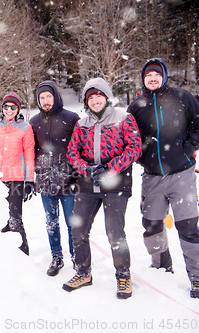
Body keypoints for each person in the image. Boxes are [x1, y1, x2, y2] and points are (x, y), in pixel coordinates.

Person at [127, 58, 199, 299]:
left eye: (156, 74)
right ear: (143, 79)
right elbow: (129, 141)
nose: (152, 78)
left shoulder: (183, 98)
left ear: (163, 76)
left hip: (182, 174)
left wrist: (187, 149)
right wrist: (141, 155)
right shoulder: (136, 107)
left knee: (187, 226)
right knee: (152, 225)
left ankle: (198, 275)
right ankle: (162, 265)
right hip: (152, 177)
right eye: (148, 75)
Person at [64, 78, 142, 299]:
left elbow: (135, 148)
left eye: (99, 96)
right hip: (88, 184)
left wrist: (110, 168)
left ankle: (123, 275)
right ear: (86, 101)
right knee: (78, 230)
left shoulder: (123, 118)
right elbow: (73, 153)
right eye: (91, 97)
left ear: (106, 97)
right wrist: (87, 169)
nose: (95, 100)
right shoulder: (81, 124)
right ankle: (83, 272)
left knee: (114, 232)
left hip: (116, 183)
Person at [29, 80, 80, 276]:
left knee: (71, 223)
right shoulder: (33, 122)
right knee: (51, 222)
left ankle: (76, 257)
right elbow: (31, 151)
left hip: (67, 181)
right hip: (45, 182)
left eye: (48, 96)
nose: (45, 101)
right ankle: (56, 256)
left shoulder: (71, 118)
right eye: (41, 98)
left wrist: (77, 178)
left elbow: (79, 149)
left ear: (56, 96)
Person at [0, 92, 35, 255]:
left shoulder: (25, 127)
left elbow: (29, 154)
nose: (9, 110)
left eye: (13, 107)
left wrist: (29, 180)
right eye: (6, 107)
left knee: (15, 218)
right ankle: (4, 254)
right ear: (2, 108)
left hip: (15, 178)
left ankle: (23, 252)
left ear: (18, 109)